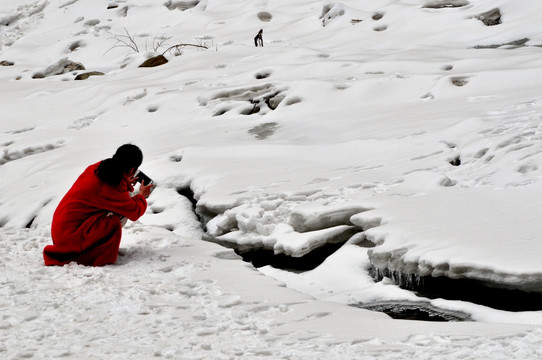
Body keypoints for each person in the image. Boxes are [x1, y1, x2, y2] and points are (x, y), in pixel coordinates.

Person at [43, 144, 154, 266]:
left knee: (115, 210)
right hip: (70, 237)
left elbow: (107, 193)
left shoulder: (97, 168)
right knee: (117, 219)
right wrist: (142, 195)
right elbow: (134, 212)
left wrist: (125, 182)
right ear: (132, 169)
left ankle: (89, 246)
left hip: (62, 230)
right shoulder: (113, 185)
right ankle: (93, 253)